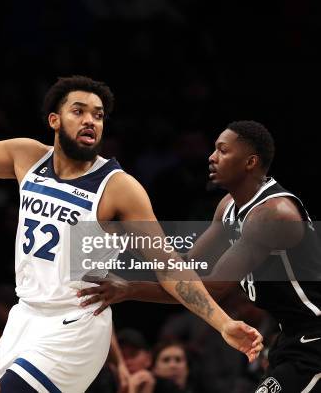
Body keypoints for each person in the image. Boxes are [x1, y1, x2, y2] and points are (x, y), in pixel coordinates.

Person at [0, 51, 262, 392]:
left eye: (98, 115)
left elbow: (169, 266)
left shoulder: (119, 187)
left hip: (75, 326)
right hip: (25, 317)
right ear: (54, 120)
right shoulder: (27, 157)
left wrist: (223, 323)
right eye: (79, 111)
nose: (90, 121)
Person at [80, 120, 321, 392]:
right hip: (291, 335)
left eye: (223, 151)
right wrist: (130, 238)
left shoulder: (273, 215)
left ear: (250, 162)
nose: (211, 157)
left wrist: (130, 289)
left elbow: (213, 288)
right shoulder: (228, 206)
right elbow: (185, 264)